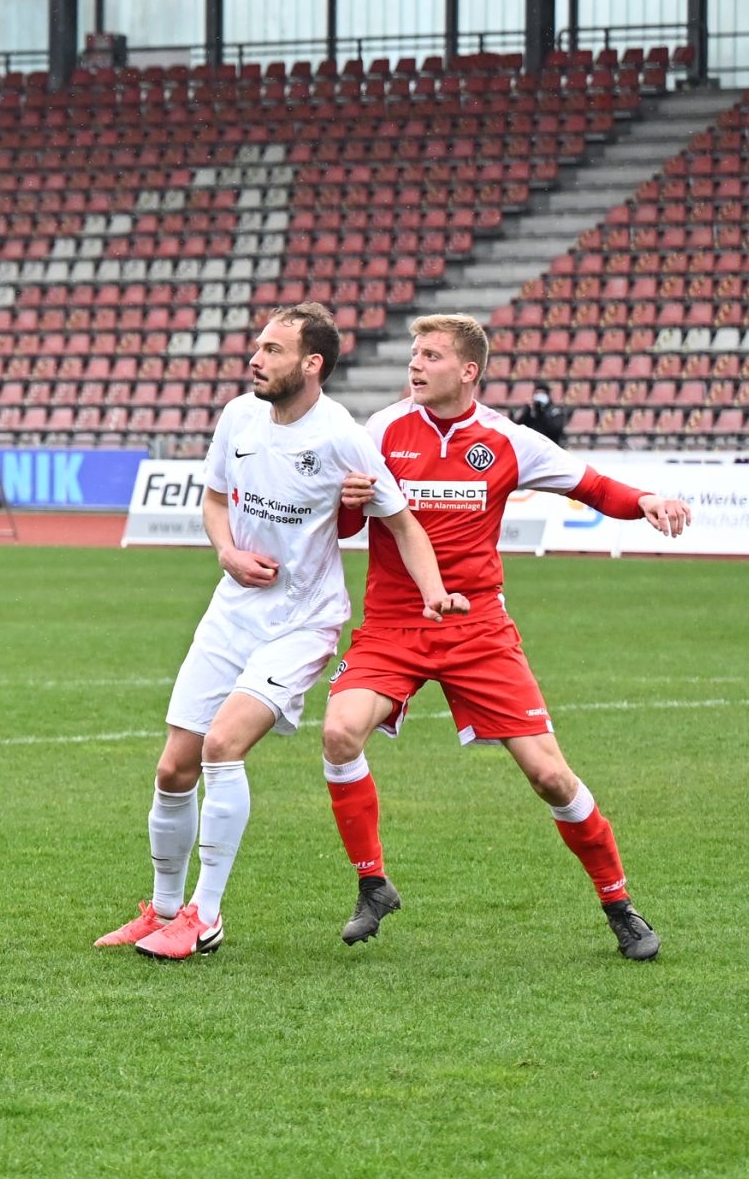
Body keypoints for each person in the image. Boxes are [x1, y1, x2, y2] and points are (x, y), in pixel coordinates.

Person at [93, 304, 465, 960]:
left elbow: (402, 524)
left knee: (223, 746)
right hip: (231, 610)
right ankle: (164, 909)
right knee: (173, 767)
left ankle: (203, 920)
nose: (256, 359)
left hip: (301, 622)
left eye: (272, 349)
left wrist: (434, 593)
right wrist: (227, 552)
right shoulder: (238, 416)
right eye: (258, 347)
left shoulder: (342, 439)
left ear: (311, 363)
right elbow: (214, 499)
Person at [325, 313, 689, 961]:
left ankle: (619, 905)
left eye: (430, 355)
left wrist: (647, 501)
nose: (415, 365)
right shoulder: (379, 431)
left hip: (476, 627)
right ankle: (372, 883)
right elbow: (349, 524)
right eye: (414, 353)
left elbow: (591, 485)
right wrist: (349, 500)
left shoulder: (508, 441)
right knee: (338, 731)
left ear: (468, 371)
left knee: (549, 774)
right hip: (394, 622)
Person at [513, 382, 568, 446]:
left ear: (547, 395)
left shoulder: (555, 411)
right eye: (537, 393)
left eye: (542, 393)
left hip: (550, 445)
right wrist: (527, 411)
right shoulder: (530, 410)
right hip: (532, 445)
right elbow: (518, 426)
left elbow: (556, 430)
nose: (539, 395)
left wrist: (542, 413)